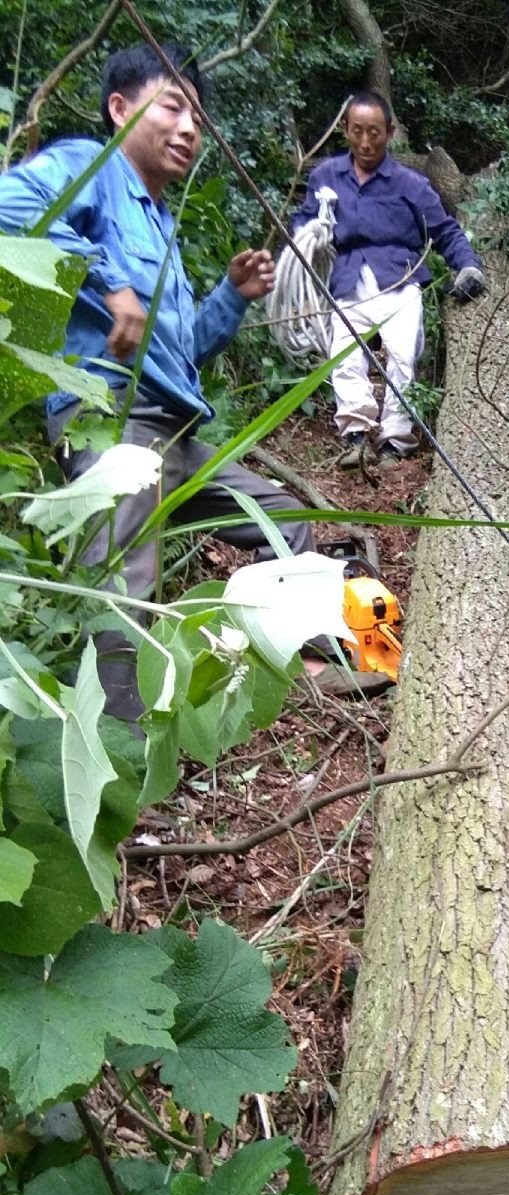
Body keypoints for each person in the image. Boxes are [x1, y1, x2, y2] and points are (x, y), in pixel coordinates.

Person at [0, 42, 322, 721]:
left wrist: (231, 296)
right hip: (108, 417)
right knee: (126, 590)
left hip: (173, 430)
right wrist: (107, 280)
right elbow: (8, 206)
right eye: (173, 107)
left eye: (197, 119)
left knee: (287, 524)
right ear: (120, 108)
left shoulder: (164, 226)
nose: (188, 129)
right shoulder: (87, 169)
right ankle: (120, 750)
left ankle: (308, 666)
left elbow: (184, 354)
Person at [291, 88, 485, 471]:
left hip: (400, 278)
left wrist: (468, 265)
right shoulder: (326, 176)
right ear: (345, 129)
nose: (365, 142)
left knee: (402, 355)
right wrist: (306, 236)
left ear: (390, 133)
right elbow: (303, 220)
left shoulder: (410, 185)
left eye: (374, 132)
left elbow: (445, 230)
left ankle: (396, 440)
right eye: (357, 131)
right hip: (347, 277)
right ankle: (357, 435)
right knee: (344, 355)